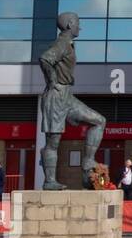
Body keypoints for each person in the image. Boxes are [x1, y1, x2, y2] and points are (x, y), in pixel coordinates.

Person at [38, 11, 107, 190]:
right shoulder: (62, 44)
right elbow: (45, 58)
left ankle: (88, 161)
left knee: (99, 121)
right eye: (77, 23)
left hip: (67, 96)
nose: (80, 27)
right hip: (56, 96)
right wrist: (52, 80)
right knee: (53, 142)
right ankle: (49, 181)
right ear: (69, 24)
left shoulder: (68, 44)